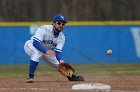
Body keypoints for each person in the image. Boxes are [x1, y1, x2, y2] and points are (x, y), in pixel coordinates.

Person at [24, 14, 84, 83]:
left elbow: (58, 52)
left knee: (59, 65)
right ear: (54, 23)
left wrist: (61, 61)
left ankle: (71, 76)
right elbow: (35, 43)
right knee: (37, 52)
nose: (61, 25)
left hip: (45, 51)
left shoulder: (62, 37)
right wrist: (46, 51)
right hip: (30, 46)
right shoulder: (44, 29)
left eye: (63, 24)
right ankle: (30, 76)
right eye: (59, 23)